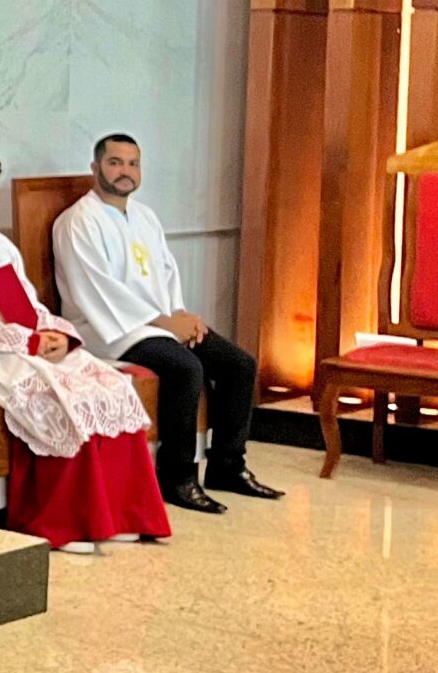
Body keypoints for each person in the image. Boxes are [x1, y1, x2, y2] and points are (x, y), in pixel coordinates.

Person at [0, 143, 170, 553]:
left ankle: (121, 515)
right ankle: (61, 521)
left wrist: (57, 335)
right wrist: (25, 341)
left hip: (15, 346)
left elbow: (30, 305)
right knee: (52, 393)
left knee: (107, 382)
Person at [52, 133, 280, 512]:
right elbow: (97, 290)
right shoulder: (78, 222)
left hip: (157, 324)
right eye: (115, 163)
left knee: (239, 365)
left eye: (133, 163)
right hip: (109, 330)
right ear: (95, 167)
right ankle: (177, 477)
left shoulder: (145, 217)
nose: (125, 171)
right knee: (185, 368)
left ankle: (227, 465)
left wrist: (178, 317)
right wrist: (164, 324)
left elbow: (167, 274)